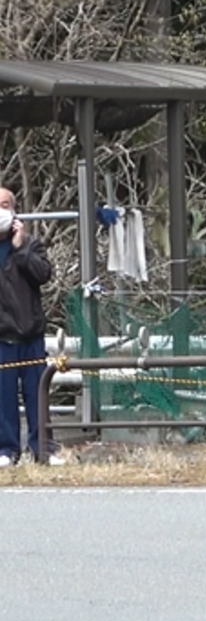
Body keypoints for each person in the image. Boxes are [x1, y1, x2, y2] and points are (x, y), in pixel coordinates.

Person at [0, 186, 63, 466]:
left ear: (14, 210)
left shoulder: (31, 245)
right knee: (3, 399)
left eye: (4, 204)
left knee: (37, 393)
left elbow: (43, 274)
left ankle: (43, 449)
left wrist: (19, 247)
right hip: (2, 338)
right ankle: (7, 450)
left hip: (31, 334)